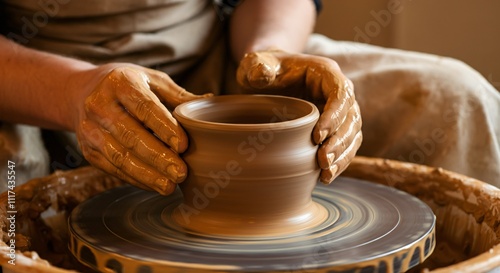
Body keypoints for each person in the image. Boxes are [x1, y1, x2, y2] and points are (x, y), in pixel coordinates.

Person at [0, 0, 498, 194]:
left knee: (455, 102)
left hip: (219, 52)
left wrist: (271, 56)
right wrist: (71, 92)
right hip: (33, 76)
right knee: (14, 195)